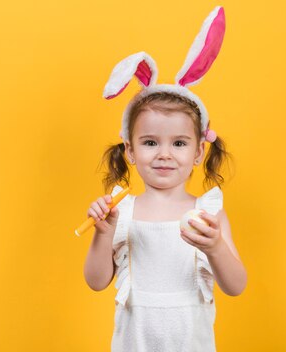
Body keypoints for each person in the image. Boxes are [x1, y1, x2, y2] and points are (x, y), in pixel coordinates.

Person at [82, 6, 247, 351]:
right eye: (150, 142)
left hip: (191, 341)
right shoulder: (120, 210)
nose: (164, 154)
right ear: (129, 150)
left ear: (199, 151)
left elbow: (235, 285)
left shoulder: (208, 213)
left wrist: (215, 247)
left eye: (179, 143)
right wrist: (104, 232)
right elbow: (96, 282)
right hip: (135, 341)